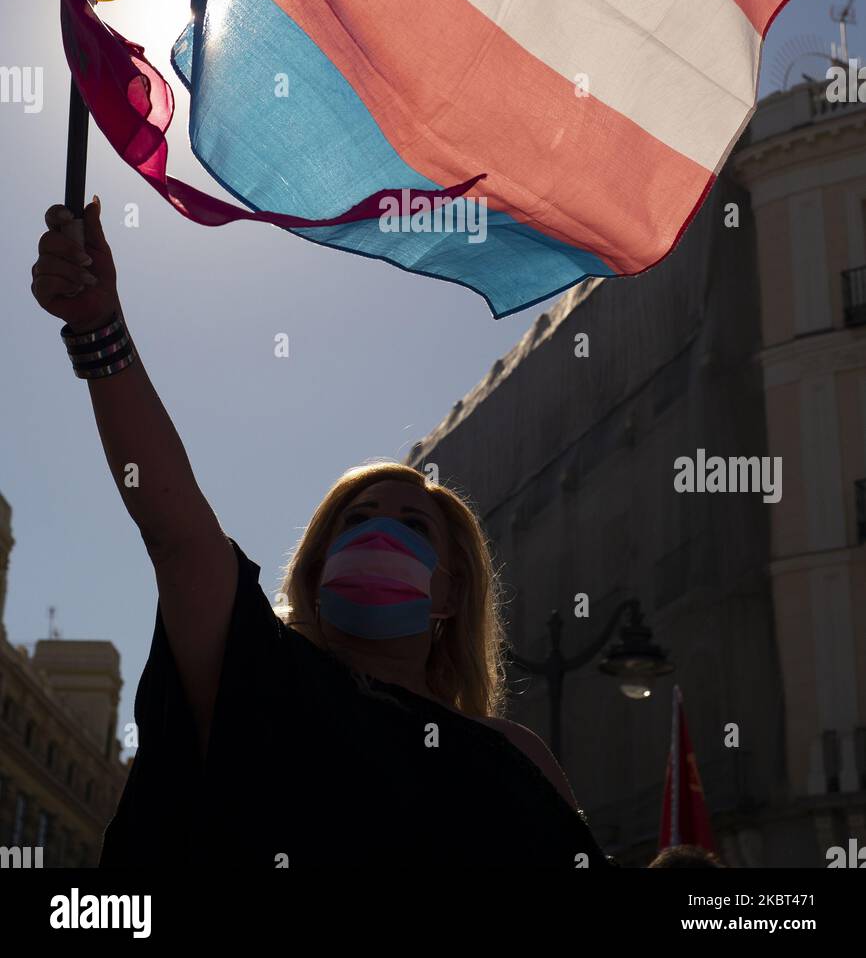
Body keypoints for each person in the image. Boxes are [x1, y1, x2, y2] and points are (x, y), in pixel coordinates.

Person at [31, 198, 613, 869]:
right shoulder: (261, 673)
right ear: (316, 565)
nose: (377, 534)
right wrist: (99, 328)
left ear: (451, 592)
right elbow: (176, 529)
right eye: (354, 521)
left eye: (412, 525)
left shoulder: (513, 757)